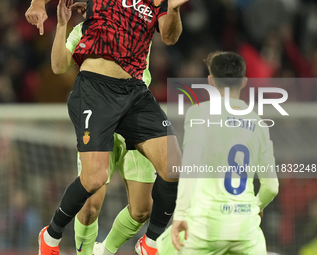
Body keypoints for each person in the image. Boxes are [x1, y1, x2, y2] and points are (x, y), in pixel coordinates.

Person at [26, 0, 187, 255]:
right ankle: (51, 235)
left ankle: (151, 243)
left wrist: (175, 9)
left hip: (135, 91)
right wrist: (37, 4)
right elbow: (58, 66)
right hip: (95, 89)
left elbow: (169, 37)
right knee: (95, 179)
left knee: (173, 168)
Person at [51, 2, 156, 254]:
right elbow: (58, 66)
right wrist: (61, 25)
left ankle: (105, 251)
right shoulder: (83, 31)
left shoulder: (139, 20)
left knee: (142, 210)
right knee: (89, 208)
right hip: (99, 116)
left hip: (136, 114)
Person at [156, 51, 279, 255]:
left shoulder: (200, 113)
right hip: (246, 229)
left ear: (211, 81)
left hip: (205, 226)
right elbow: (272, 187)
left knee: (157, 250)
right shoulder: (259, 124)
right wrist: (256, 206)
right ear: (244, 81)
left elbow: (191, 166)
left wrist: (181, 214)